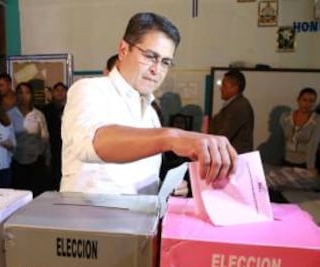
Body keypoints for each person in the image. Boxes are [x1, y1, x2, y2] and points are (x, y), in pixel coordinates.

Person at [60, 12, 237, 195]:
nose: (156, 70)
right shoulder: (89, 89)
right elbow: (92, 143)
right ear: (123, 50)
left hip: (139, 221)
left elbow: (136, 176)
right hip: (90, 220)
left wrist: (163, 188)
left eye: (165, 62)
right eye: (150, 56)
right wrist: (171, 137)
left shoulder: (150, 113)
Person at [7, 82, 51, 196]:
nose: (23, 96)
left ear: (31, 95)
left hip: (35, 162)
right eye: (20, 93)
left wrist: (46, 159)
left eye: (27, 93)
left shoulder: (38, 115)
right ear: (16, 95)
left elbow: (45, 138)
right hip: (16, 161)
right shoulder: (10, 115)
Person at [208, 69, 254, 154]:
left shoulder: (239, 106)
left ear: (235, 88)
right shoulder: (234, 105)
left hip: (236, 157)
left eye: (224, 85)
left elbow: (223, 134)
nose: (221, 88)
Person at [280, 87, 320, 171]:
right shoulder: (285, 117)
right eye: (304, 100)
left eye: (311, 101)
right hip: (286, 159)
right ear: (298, 100)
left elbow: (313, 145)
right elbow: (282, 139)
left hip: (304, 162)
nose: (307, 104)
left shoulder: (316, 120)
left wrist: (310, 167)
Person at [44, 82, 68, 190]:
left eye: (62, 90)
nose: (60, 93)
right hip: (51, 146)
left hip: (66, 146)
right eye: (57, 90)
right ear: (53, 93)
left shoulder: (70, 109)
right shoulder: (46, 110)